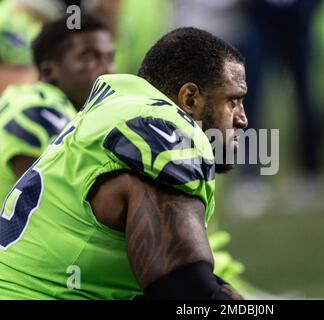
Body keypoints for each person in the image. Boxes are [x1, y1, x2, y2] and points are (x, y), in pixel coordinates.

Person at [0, 27, 248, 300]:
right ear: (189, 98)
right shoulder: (163, 129)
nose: (242, 119)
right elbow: (184, 291)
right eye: (233, 101)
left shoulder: (117, 112)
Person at [0, 15, 115, 203]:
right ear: (48, 71)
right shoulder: (39, 109)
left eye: (110, 58)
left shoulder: (22, 96)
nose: (108, 70)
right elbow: (47, 203)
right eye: (89, 58)